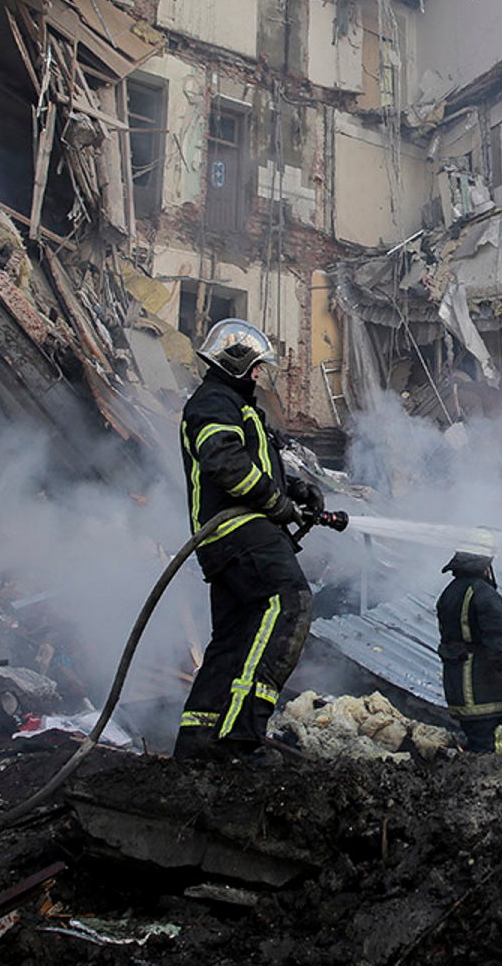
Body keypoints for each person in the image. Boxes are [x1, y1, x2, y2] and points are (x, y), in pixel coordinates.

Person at [173, 319, 324, 763]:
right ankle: (242, 734)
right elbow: (224, 461)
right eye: (256, 367)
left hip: (229, 537)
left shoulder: (234, 406)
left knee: (234, 635)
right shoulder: (213, 404)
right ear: (237, 364)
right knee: (289, 600)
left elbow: (256, 460)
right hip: (238, 530)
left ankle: (198, 740)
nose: (260, 375)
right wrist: (276, 505)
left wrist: (296, 489)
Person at [435, 531, 502, 753]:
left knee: (475, 752)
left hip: (459, 692)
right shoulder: (483, 595)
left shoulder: (449, 593)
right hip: (484, 694)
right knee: (491, 758)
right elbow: (499, 646)